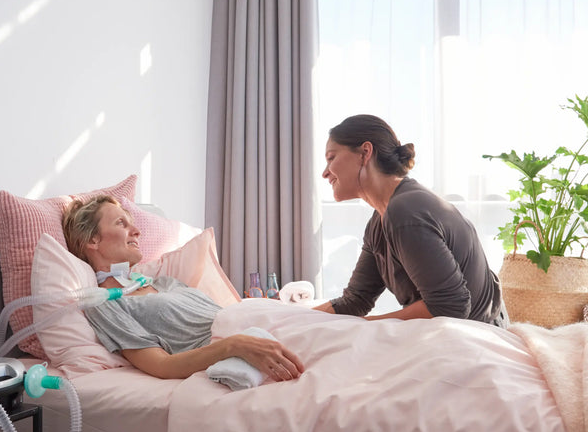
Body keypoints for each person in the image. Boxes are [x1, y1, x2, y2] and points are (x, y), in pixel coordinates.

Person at [62, 195, 305, 382]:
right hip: (245, 345)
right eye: (121, 223)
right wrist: (236, 345)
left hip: (263, 323)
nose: (136, 231)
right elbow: (162, 366)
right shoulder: (104, 303)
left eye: (132, 224)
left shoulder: (163, 282)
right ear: (92, 240)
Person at [315, 114, 506, 326]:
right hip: (450, 333)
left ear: (365, 153)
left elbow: (450, 306)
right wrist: (292, 319)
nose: (325, 173)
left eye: (331, 158)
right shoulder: (380, 220)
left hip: (477, 338)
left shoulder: (405, 211)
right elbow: (355, 301)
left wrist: (366, 326)